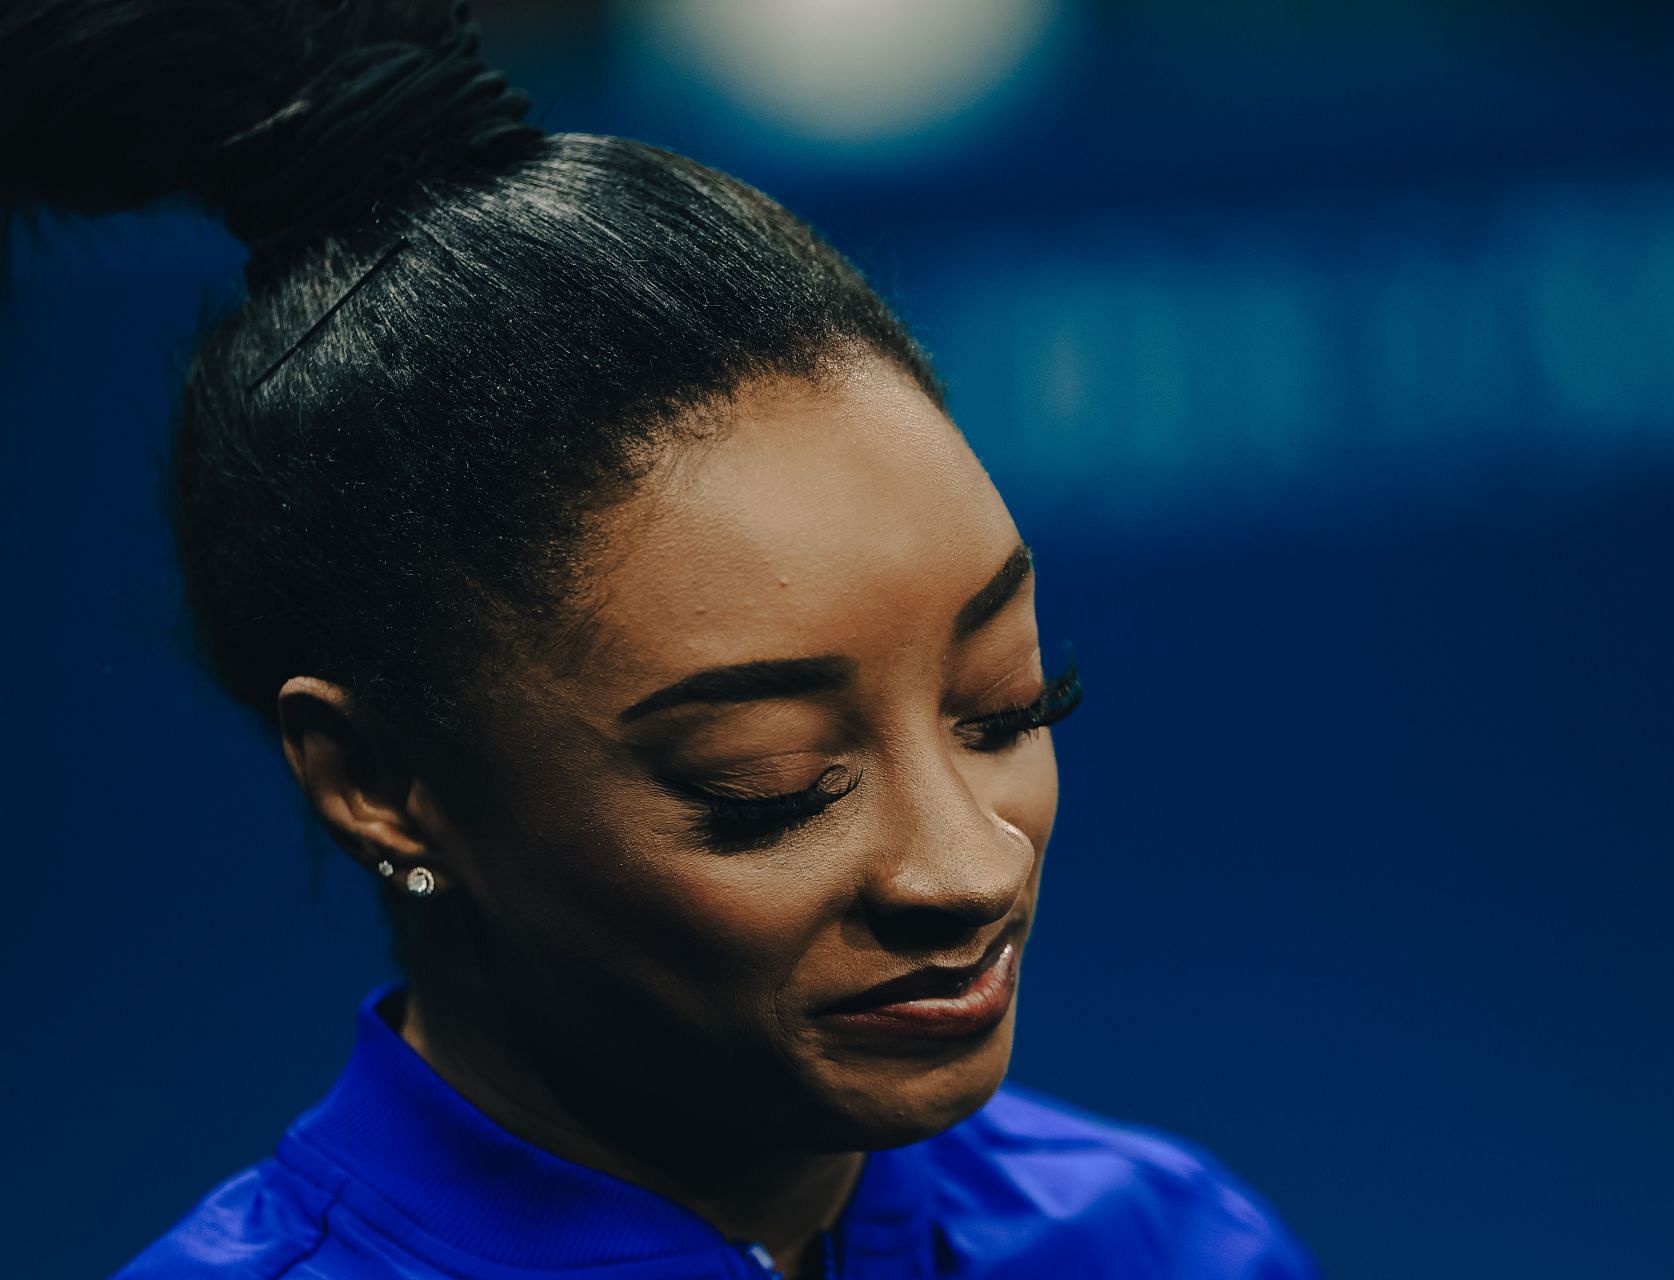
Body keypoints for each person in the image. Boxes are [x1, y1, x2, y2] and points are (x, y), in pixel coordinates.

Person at [3, 2, 1319, 1276]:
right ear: (383, 786)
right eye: (772, 785)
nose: (971, 870)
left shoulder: (1166, 1242)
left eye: (1009, 707)